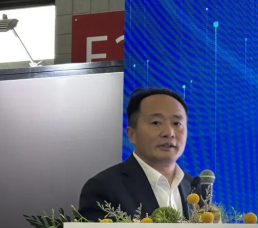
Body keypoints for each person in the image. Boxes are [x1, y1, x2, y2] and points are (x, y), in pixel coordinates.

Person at [78, 87, 197, 221]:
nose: (169, 132)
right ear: (132, 134)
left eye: (177, 123)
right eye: (156, 122)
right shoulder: (104, 188)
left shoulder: (194, 187)